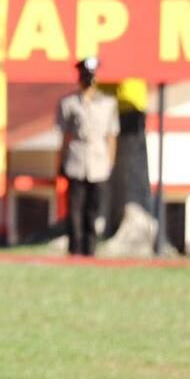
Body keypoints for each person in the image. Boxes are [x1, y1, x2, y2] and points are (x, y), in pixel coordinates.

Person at [56, 56, 119, 256]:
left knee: (93, 209)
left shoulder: (108, 103)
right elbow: (65, 136)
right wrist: (60, 161)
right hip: (76, 159)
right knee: (75, 208)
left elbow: (111, 135)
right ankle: (75, 248)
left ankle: (90, 249)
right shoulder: (69, 103)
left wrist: (110, 162)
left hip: (98, 161)